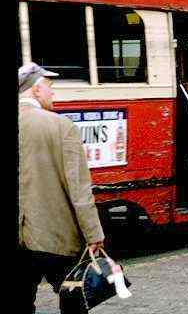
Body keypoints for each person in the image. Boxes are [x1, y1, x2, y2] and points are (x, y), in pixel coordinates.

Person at [18, 62, 105, 313]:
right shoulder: (61, 126)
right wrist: (94, 234)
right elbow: (79, 189)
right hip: (55, 237)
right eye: (49, 87)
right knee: (74, 301)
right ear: (36, 90)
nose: (53, 92)